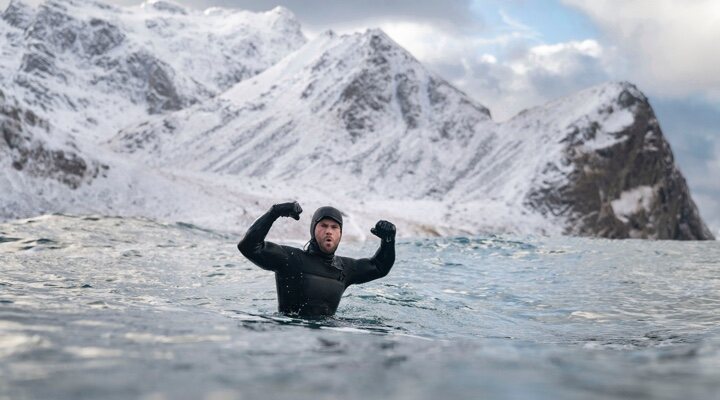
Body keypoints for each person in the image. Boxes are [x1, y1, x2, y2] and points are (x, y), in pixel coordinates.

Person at [238, 201, 396, 317]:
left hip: (330, 335)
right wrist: (274, 212)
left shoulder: (346, 268)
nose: (329, 231)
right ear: (313, 230)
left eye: (334, 227)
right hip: (290, 334)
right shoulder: (290, 259)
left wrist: (388, 241)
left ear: (340, 234)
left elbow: (380, 267)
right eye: (323, 226)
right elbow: (249, 247)